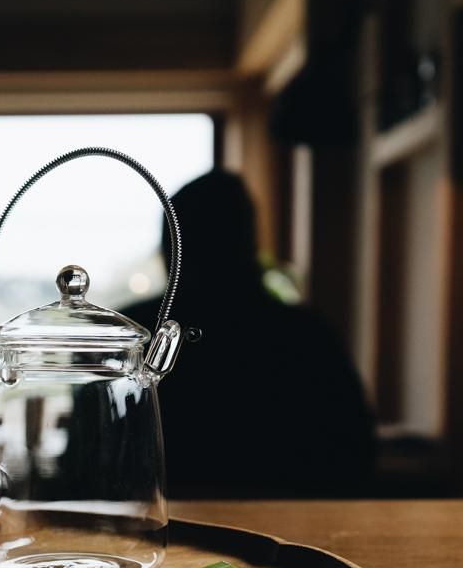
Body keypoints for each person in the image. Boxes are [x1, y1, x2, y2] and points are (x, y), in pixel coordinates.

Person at [125, 169, 375, 498]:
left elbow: (91, 461)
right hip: (292, 532)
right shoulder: (306, 336)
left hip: (153, 531)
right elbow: (355, 459)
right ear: (250, 242)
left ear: (170, 247)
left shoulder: (135, 334)